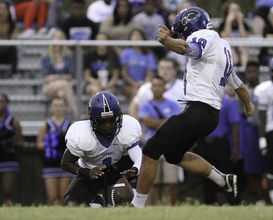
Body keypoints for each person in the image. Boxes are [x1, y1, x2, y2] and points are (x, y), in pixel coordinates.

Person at [131, 6, 255, 208]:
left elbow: (190, 49)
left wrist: (166, 41)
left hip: (199, 110)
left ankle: (136, 206)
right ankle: (223, 180)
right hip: (209, 116)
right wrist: (248, 106)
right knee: (174, 155)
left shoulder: (203, 36)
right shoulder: (223, 47)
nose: (184, 37)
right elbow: (239, 86)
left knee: (150, 151)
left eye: (183, 32)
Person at [61, 91, 142, 207]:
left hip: (118, 170)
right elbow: (66, 162)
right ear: (93, 120)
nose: (108, 126)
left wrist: (134, 170)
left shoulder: (127, 129)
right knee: (71, 203)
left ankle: (140, 201)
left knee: (147, 162)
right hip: (92, 173)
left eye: (111, 120)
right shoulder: (83, 136)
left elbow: (140, 157)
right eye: (103, 122)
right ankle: (98, 204)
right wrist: (87, 172)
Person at [138, 75, 180, 205]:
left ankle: (171, 210)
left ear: (164, 88)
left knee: (171, 183)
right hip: (152, 147)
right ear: (151, 88)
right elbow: (147, 121)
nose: (157, 88)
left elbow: (175, 124)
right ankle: (154, 210)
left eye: (159, 86)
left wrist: (155, 122)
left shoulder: (173, 104)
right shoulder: (145, 104)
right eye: (154, 85)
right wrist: (166, 122)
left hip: (169, 147)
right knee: (153, 183)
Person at [193, 94, 240, 206]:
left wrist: (235, 147)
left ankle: (233, 203)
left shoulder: (226, 102)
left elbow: (234, 125)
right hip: (203, 142)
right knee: (206, 173)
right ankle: (209, 203)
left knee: (226, 172)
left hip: (220, 143)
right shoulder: (198, 102)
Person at [238, 61, 267, 206]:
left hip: (268, 129)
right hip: (251, 129)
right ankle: (260, 199)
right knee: (254, 168)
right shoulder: (244, 90)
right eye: (249, 72)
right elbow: (242, 116)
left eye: (254, 71)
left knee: (271, 164)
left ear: (259, 73)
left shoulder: (266, 89)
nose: (252, 75)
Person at [36, 97, 73, 206]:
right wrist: (50, 145)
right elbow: (38, 143)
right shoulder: (45, 124)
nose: (58, 108)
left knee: (63, 196)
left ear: (65, 107)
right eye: (56, 106)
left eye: (61, 106)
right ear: (52, 107)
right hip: (50, 164)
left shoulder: (69, 124)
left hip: (64, 164)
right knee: (52, 197)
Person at [254, 55, 273, 206]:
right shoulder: (265, 89)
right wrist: (262, 140)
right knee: (271, 169)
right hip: (272, 132)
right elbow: (262, 118)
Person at [41, 29, 77, 119]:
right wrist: (62, 77)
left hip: (64, 87)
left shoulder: (69, 56)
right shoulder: (46, 56)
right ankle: (76, 113)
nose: (58, 39)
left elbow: (70, 75)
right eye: (56, 36)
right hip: (50, 87)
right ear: (51, 39)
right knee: (64, 84)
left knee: (61, 93)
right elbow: (46, 77)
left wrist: (55, 77)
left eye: (61, 37)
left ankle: (60, 120)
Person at [120, 28, 156, 100]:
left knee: (143, 91)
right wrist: (134, 84)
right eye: (134, 35)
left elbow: (149, 74)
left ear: (143, 38)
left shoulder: (148, 54)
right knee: (136, 91)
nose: (137, 37)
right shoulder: (125, 52)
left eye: (139, 35)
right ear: (130, 38)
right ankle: (133, 111)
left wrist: (144, 85)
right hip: (128, 85)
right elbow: (124, 73)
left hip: (144, 85)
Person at [0, 93, 23, 206]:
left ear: (6, 104)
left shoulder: (13, 121)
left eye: (2, 101)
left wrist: (10, 142)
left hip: (8, 158)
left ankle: (7, 208)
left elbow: (20, 141)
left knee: (6, 190)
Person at [84, 32, 120, 97]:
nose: (101, 41)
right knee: (95, 90)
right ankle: (92, 107)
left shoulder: (113, 55)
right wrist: (95, 82)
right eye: (99, 39)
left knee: (107, 92)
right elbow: (87, 76)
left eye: (103, 39)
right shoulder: (90, 55)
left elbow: (115, 75)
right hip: (93, 83)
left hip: (109, 84)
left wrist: (109, 84)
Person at [218, 0, 250, 68]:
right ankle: (234, 69)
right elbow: (225, 37)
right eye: (232, 10)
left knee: (242, 49)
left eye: (237, 10)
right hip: (228, 48)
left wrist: (240, 22)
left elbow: (244, 37)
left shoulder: (244, 24)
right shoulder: (222, 24)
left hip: (240, 48)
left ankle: (244, 70)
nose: (235, 12)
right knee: (230, 50)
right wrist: (228, 22)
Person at [0, 1, 18, 78]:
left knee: (13, 49)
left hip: (7, 52)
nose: (2, 11)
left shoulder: (12, 24)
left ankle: (14, 73)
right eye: (0, 9)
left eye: (4, 9)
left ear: (8, 11)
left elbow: (14, 39)